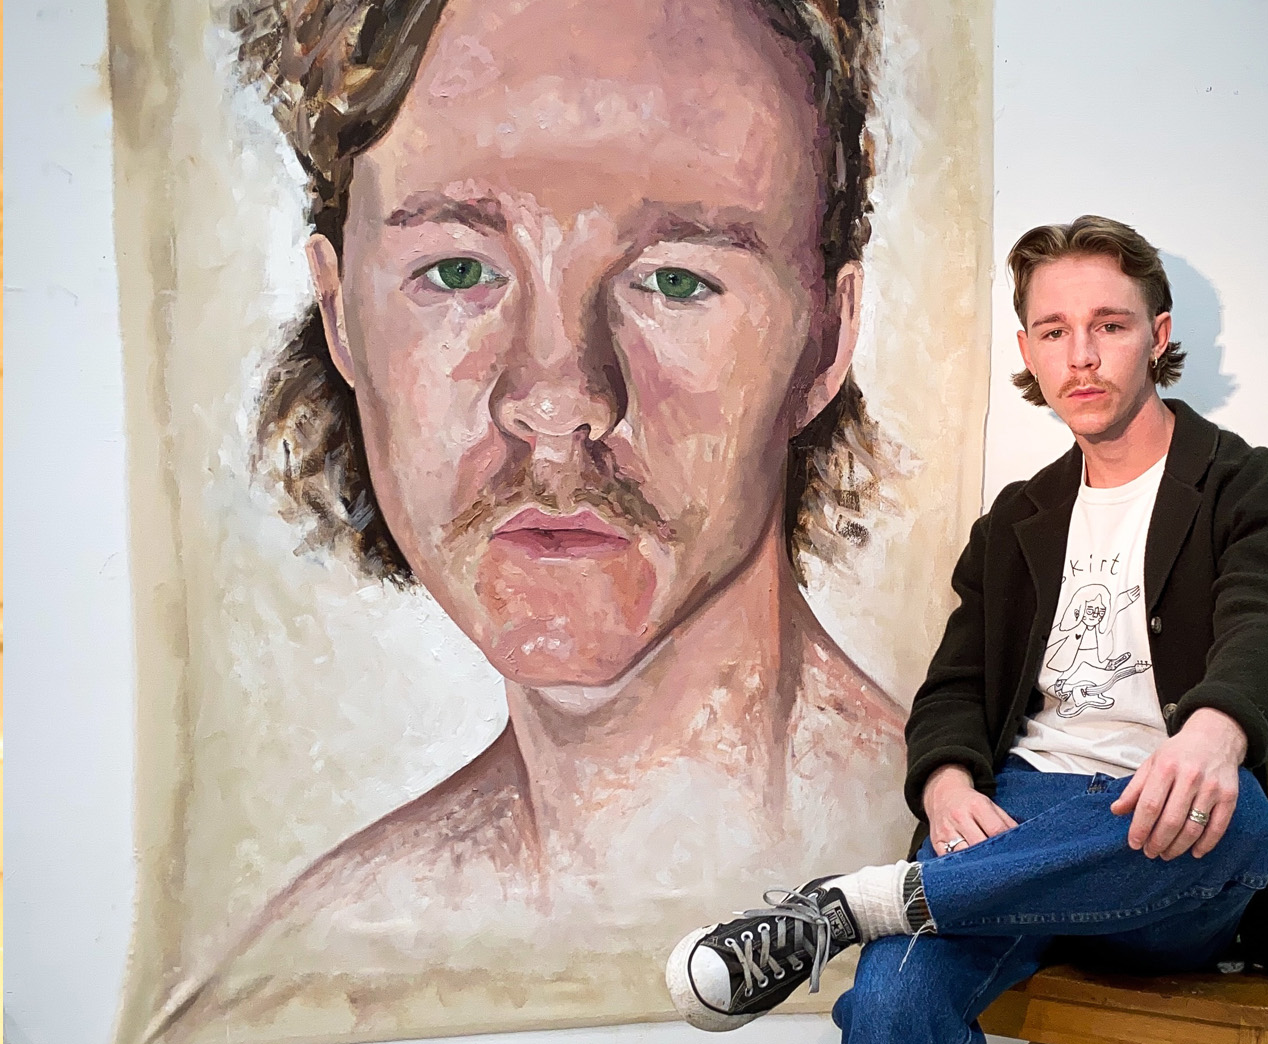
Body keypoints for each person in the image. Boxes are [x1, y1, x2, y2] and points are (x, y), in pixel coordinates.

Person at [152, 0, 912, 1033]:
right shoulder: (307, 978)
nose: (556, 398)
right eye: (458, 272)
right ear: (341, 316)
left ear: (826, 341)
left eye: (677, 279)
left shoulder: (966, 878)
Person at [667, 215, 1268, 1040]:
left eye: (1110, 326)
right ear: (1028, 350)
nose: (1080, 356)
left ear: (1157, 337)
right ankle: (916, 899)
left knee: (1240, 823)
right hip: (1015, 817)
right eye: (1055, 331)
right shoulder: (1019, 518)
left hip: (1156, 829)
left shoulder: (1249, 486)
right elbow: (957, 683)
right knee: (889, 1006)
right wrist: (948, 784)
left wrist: (1215, 733)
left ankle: (859, 907)